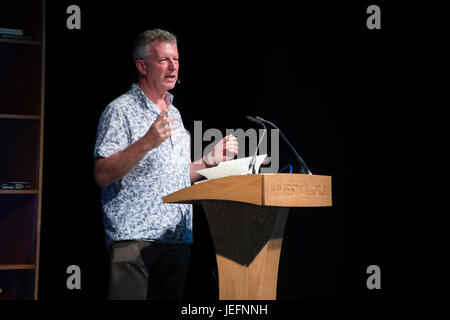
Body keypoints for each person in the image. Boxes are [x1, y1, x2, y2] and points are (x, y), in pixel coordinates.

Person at [93, 29, 238, 300]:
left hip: (176, 238)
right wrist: (147, 141)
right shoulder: (120, 110)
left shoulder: (174, 113)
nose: (173, 67)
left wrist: (209, 161)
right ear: (142, 66)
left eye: (176, 59)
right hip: (134, 240)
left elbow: (175, 175)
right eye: (164, 60)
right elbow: (101, 174)